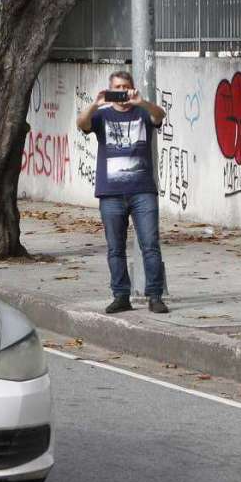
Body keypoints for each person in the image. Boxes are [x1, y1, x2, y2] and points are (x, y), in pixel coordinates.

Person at [75, 70, 169, 314]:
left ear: (132, 88)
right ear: (110, 89)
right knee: (115, 248)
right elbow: (81, 124)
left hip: (142, 192)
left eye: (125, 87)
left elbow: (160, 116)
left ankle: (155, 295)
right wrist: (96, 103)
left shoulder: (142, 113)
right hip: (111, 193)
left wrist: (142, 102)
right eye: (116, 87)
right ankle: (121, 295)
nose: (121, 92)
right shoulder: (102, 116)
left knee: (150, 245)